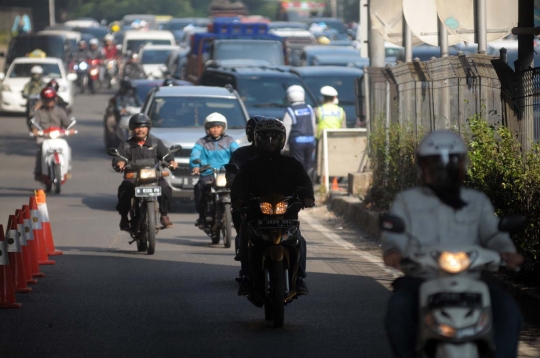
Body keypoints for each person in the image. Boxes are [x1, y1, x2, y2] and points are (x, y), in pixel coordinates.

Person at [382, 130, 524, 358]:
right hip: (421, 278)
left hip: (472, 278)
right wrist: (394, 251)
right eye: (434, 163)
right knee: (397, 310)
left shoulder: (476, 201)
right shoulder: (407, 200)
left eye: (450, 163)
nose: (442, 169)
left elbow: (494, 233)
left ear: (461, 166)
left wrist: (507, 253)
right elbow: (395, 234)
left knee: (508, 311)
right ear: (423, 166)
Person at [230, 117, 315, 296]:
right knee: (246, 239)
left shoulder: (291, 163)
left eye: (274, 137)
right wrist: (238, 200)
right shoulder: (249, 165)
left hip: (286, 216)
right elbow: (238, 185)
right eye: (264, 136)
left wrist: (307, 197)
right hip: (257, 216)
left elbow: (305, 183)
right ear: (256, 138)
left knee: (299, 241)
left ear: (281, 139)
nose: (269, 141)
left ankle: (299, 278)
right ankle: (246, 276)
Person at [112, 113, 178, 230]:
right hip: (133, 177)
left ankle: (164, 215)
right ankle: (124, 218)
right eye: (137, 127)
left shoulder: (156, 143)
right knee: (124, 190)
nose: (140, 129)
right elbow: (118, 157)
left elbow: (166, 155)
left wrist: (171, 161)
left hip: (154, 176)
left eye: (143, 126)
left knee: (166, 189)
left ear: (148, 128)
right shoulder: (125, 145)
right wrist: (120, 163)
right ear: (132, 129)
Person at [225, 116, 265, 261]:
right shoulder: (241, 154)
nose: (266, 139)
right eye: (261, 134)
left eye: (270, 135)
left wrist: (304, 194)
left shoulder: (283, 158)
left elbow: (298, 178)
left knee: (298, 240)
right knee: (238, 214)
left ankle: (299, 278)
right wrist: (236, 189)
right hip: (251, 201)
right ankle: (243, 247)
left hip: (277, 204)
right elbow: (232, 174)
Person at [190, 112, 239, 228]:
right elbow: (194, 155)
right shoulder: (201, 142)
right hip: (208, 173)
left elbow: (237, 153)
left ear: (223, 128)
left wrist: (240, 164)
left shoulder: (229, 140)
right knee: (200, 187)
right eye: (212, 127)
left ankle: (239, 213)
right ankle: (202, 216)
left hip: (226, 173)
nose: (215, 130)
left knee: (238, 187)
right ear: (207, 128)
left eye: (218, 126)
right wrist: (196, 166)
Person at [31, 88, 76, 181]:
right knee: (40, 150)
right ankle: (39, 171)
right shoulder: (39, 112)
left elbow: (67, 123)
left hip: (58, 137)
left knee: (67, 148)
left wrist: (71, 129)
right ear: (43, 100)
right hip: (44, 137)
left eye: (51, 99)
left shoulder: (60, 111)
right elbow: (34, 124)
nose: (49, 102)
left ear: (54, 99)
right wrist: (35, 130)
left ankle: (67, 169)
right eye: (46, 100)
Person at [282, 85, 316, 173]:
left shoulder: (290, 110)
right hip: (310, 141)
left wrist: (282, 145)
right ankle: (309, 184)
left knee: (297, 166)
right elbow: (313, 126)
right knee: (308, 166)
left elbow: (286, 128)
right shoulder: (309, 108)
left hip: (297, 142)